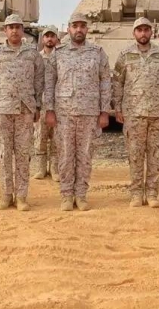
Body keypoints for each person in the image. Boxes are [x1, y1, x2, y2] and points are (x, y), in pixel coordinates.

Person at [43, 13, 111, 211]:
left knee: (85, 156)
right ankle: (66, 195)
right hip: (64, 114)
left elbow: (105, 82)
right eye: (75, 26)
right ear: (69, 29)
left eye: (82, 26)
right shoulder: (58, 53)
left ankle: (81, 195)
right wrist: (49, 110)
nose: (79, 29)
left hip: (89, 113)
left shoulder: (98, 52)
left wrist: (104, 111)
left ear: (87, 29)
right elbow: (49, 83)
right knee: (65, 155)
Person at [112, 17, 159, 208]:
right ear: (134, 33)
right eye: (139, 30)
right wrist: (117, 108)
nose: (143, 33)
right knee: (135, 155)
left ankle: (152, 193)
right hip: (134, 113)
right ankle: (136, 193)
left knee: (156, 155)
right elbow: (117, 83)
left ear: (152, 32)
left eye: (146, 30)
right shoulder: (125, 55)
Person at [0, 14, 45, 211]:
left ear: (22, 30)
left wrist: (37, 106)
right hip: (2, 109)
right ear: (5, 31)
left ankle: (21, 196)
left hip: (25, 110)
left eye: (18, 27)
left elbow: (39, 81)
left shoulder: (32, 54)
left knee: (23, 154)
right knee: (4, 154)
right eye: (10, 27)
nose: (14, 31)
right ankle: (5, 194)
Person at [33, 26, 60, 180]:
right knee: (40, 137)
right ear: (43, 39)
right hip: (42, 103)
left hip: (59, 104)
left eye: (52, 36)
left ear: (56, 39)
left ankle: (55, 170)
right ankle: (41, 169)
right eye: (47, 36)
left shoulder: (62, 57)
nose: (49, 39)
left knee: (57, 138)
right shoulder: (37, 58)